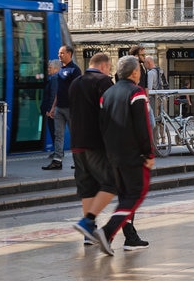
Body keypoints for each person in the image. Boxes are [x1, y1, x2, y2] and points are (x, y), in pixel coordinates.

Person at [69, 53, 147, 251]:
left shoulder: (75, 82)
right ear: (104, 67)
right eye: (109, 67)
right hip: (99, 144)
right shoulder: (104, 82)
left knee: (87, 187)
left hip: (77, 143)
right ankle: (113, 231)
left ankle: (89, 234)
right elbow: (111, 112)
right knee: (117, 186)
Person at [96, 55, 155, 256]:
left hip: (112, 154)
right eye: (139, 69)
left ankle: (130, 237)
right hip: (132, 154)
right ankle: (106, 231)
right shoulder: (136, 93)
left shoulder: (107, 94)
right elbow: (143, 127)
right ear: (135, 72)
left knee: (125, 196)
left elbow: (101, 127)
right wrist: (149, 152)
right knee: (134, 194)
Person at [44, 44, 81, 170]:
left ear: (69, 54)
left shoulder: (75, 70)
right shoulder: (60, 70)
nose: (59, 55)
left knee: (74, 135)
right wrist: (53, 107)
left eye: (62, 53)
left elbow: (77, 91)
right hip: (59, 108)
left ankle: (78, 161)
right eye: (59, 53)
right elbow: (58, 92)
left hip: (71, 108)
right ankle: (57, 160)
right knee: (58, 135)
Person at [40, 59, 60, 153]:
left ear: (56, 68)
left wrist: (49, 109)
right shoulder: (54, 78)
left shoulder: (55, 78)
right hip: (52, 110)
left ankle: (58, 152)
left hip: (52, 111)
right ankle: (57, 151)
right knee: (54, 132)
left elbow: (53, 94)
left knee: (54, 132)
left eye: (50, 67)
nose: (48, 69)